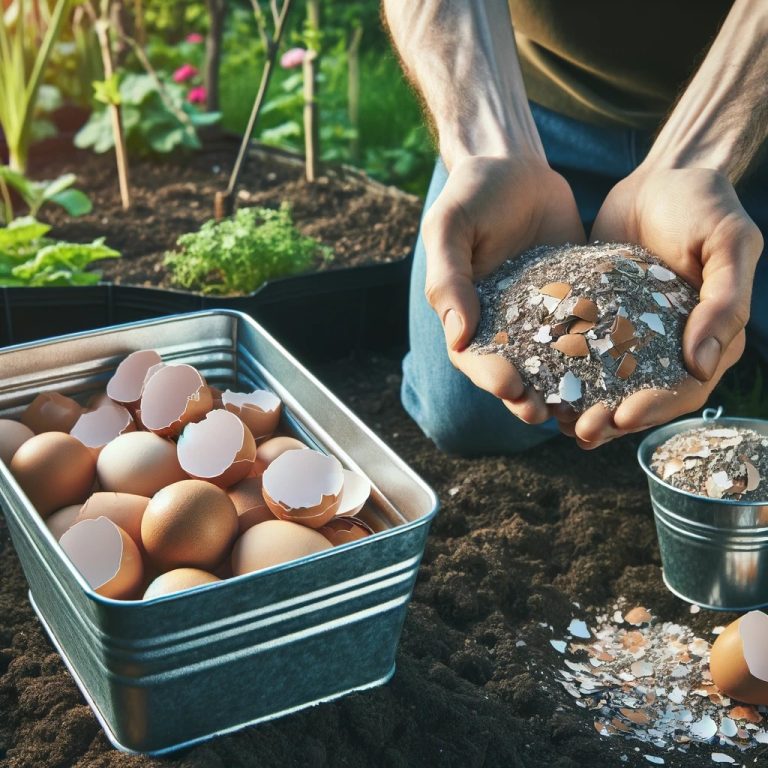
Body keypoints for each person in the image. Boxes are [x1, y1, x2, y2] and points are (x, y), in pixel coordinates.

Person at [382, 0, 767, 455]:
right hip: (531, 108)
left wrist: (698, 160)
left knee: (717, 329)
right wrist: (488, 146)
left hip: (750, 115)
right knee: (467, 409)